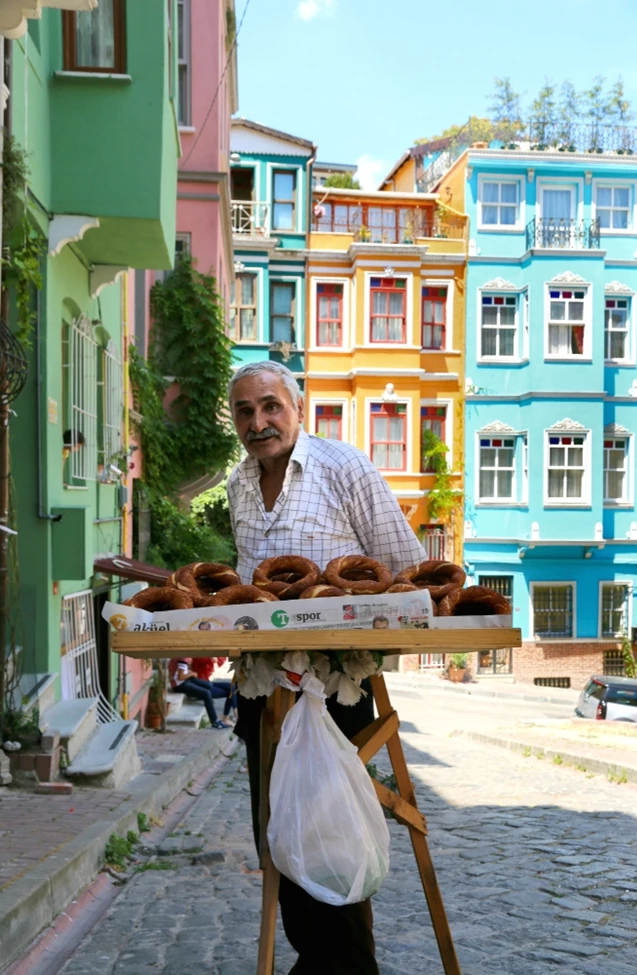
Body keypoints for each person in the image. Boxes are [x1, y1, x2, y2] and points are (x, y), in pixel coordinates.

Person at [227, 360, 427, 975]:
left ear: (298, 408)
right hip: (265, 691)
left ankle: (339, 965)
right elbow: (245, 582)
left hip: (337, 688)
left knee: (332, 839)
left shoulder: (345, 468)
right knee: (281, 837)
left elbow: (405, 569)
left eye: (270, 407)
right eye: (245, 412)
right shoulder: (237, 484)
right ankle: (322, 961)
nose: (259, 423)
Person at [167, 658, 230, 730]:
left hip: (184, 680)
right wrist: (191, 673)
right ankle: (215, 722)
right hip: (179, 684)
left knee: (208, 685)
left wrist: (190, 673)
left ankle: (223, 691)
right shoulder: (183, 658)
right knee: (206, 693)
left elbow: (180, 672)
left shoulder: (184, 657)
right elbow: (180, 677)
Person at [190, 655, 237, 726]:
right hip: (199, 686)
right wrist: (210, 658)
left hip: (207, 683)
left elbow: (220, 661)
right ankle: (231, 716)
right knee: (230, 692)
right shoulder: (197, 657)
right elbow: (205, 660)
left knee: (232, 686)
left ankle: (235, 712)